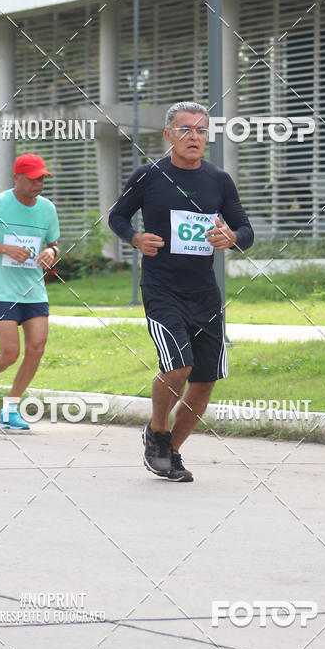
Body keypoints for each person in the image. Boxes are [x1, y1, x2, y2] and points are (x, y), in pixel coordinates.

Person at [109, 101, 254, 481]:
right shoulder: (149, 176)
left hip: (204, 293)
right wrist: (136, 238)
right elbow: (117, 216)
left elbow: (246, 230)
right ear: (169, 135)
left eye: (201, 130)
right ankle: (157, 430)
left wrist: (232, 236)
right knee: (177, 365)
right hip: (161, 287)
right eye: (186, 129)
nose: (194, 136)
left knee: (204, 378)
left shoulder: (219, 180)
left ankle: (170, 452)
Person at [0, 153, 60, 431]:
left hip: (33, 290)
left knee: (37, 348)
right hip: (1, 289)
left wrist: (50, 253)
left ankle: (10, 408)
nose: (38, 184)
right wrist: (5, 249)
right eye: (32, 179)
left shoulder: (47, 209)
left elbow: (54, 244)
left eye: (42, 178)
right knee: (10, 352)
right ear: (16, 178)